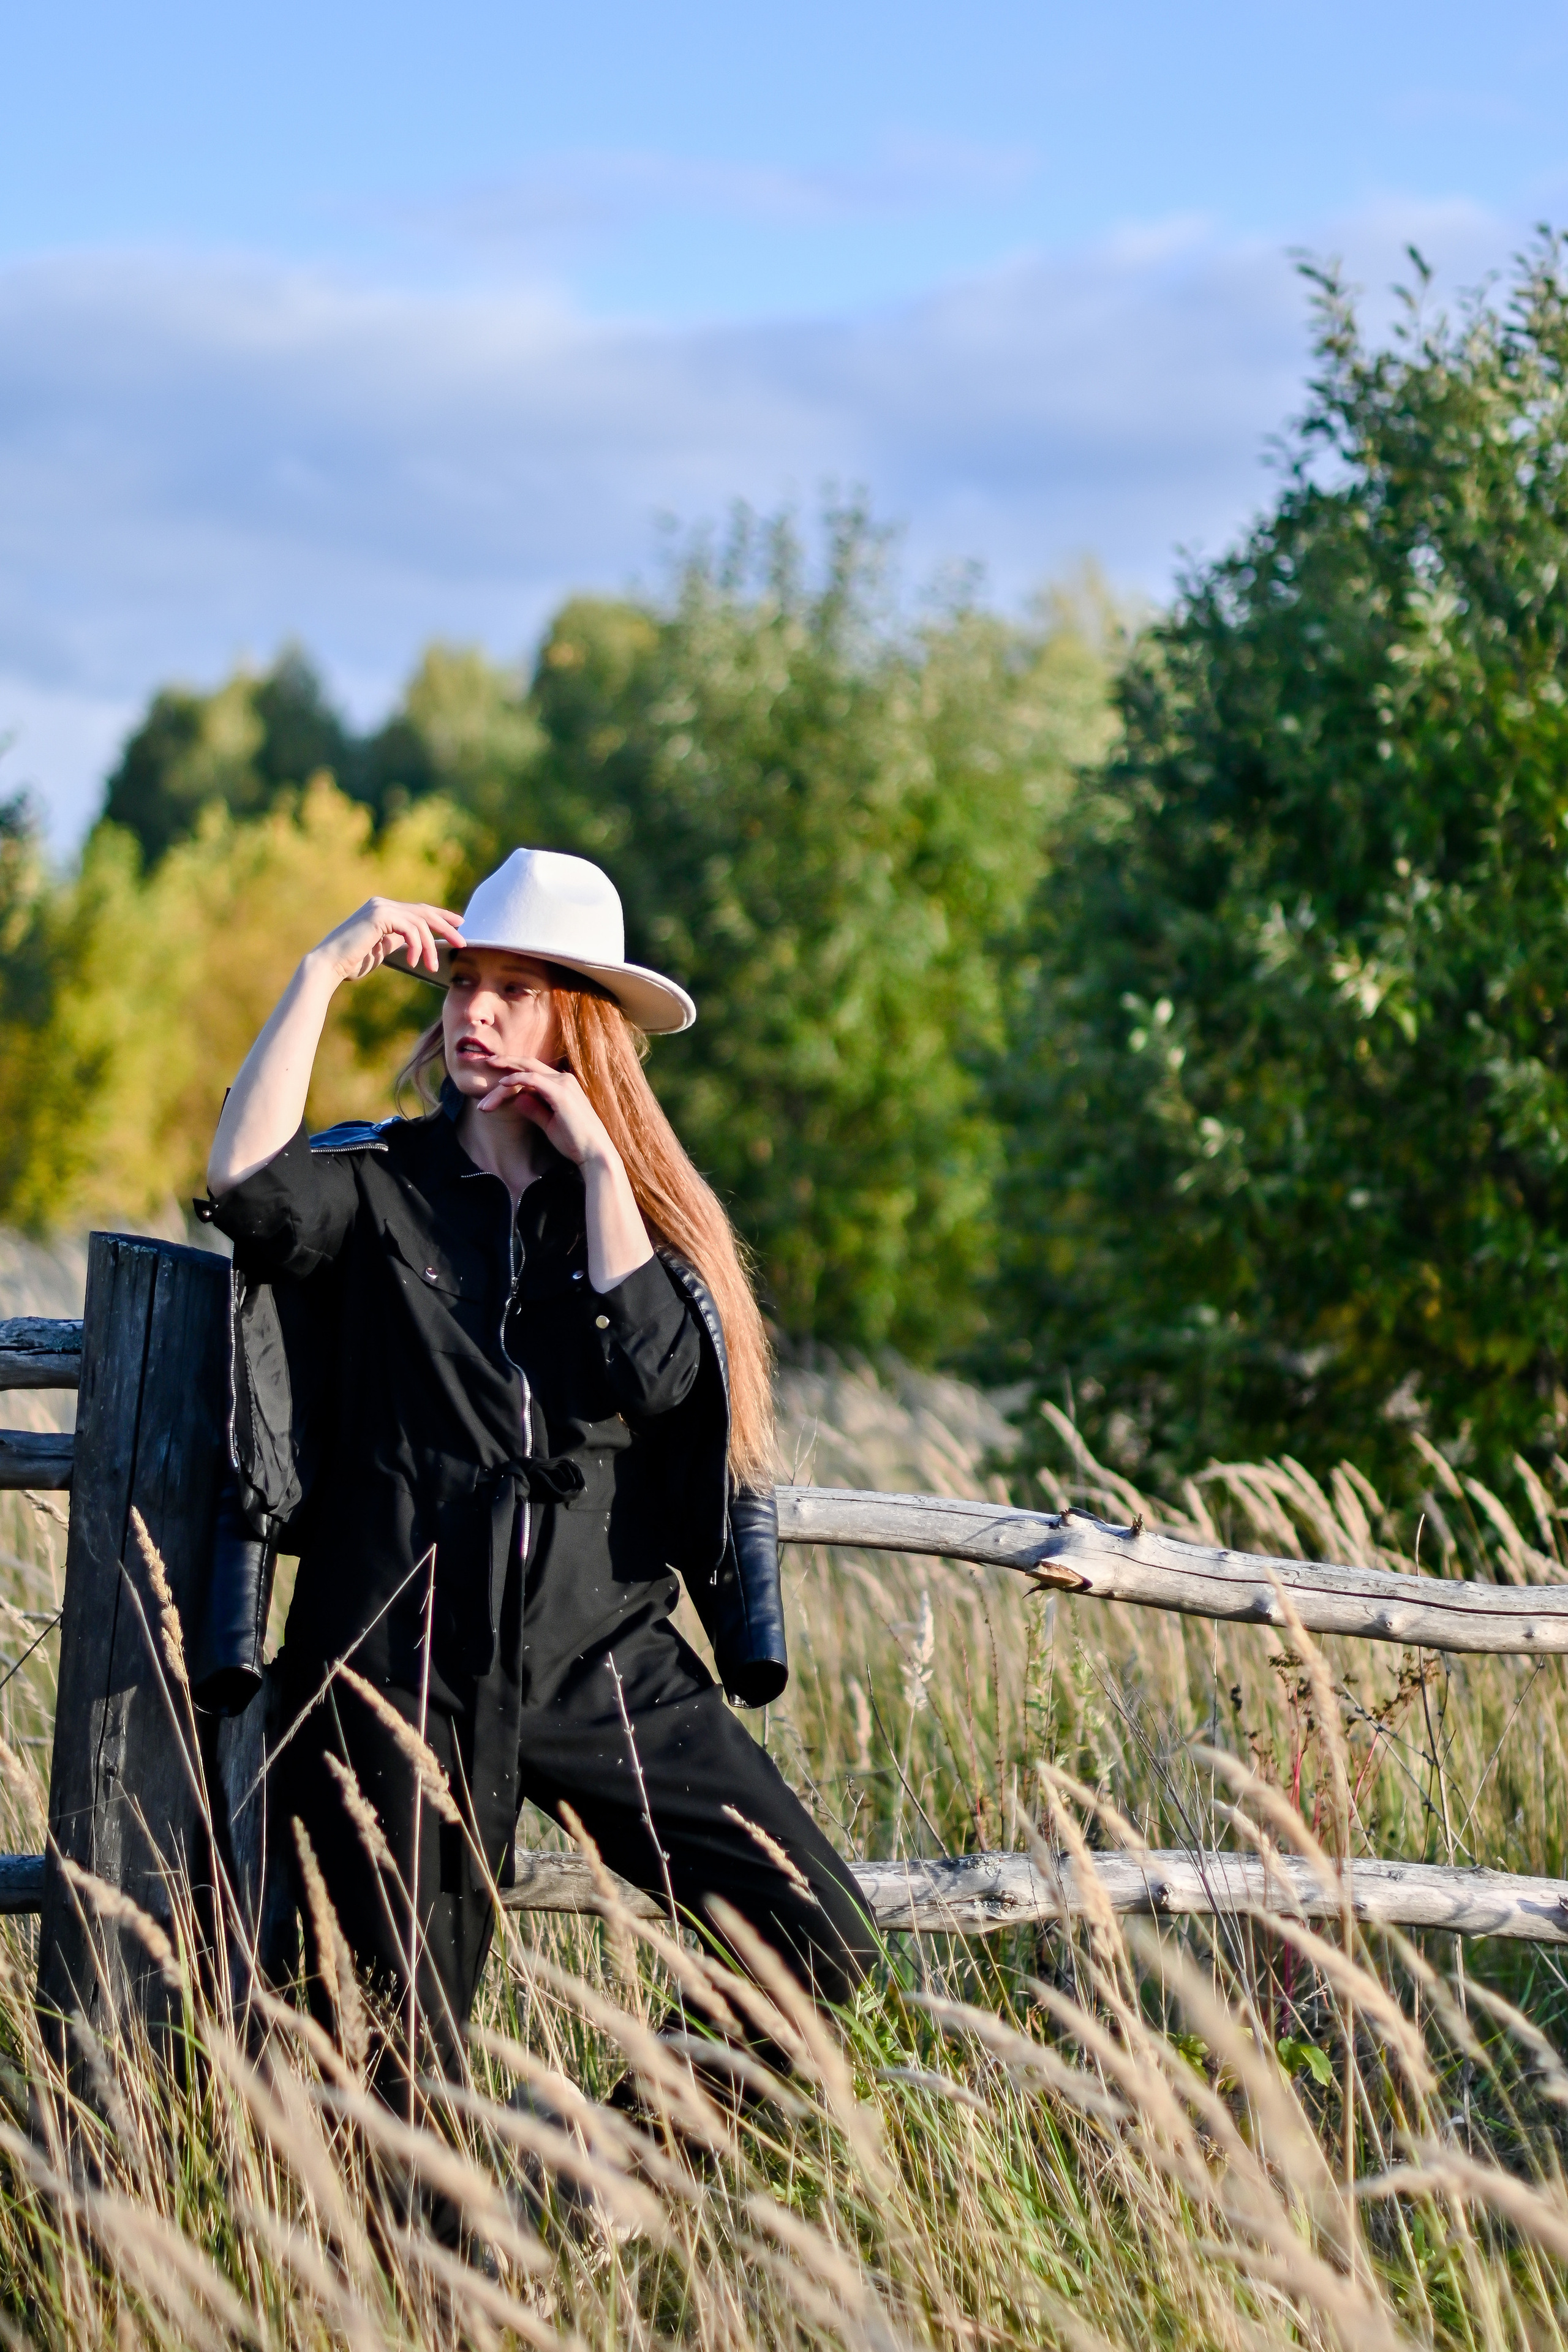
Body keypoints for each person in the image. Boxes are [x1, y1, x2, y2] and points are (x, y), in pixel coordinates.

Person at [201, 846, 874, 2096]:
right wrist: (319, 971)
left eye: (514, 990)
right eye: (463, 985)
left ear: (579, 1019)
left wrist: (604, 1167)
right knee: (393, 2070)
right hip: (397, 1661)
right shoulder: (381, 1188)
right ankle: (424, 2280)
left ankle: (588, 2176)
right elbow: (243, 1190)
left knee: (816, 1930)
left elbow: (661, 1378)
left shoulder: (622, 1214)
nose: (475, 1013)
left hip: (598, 1659)